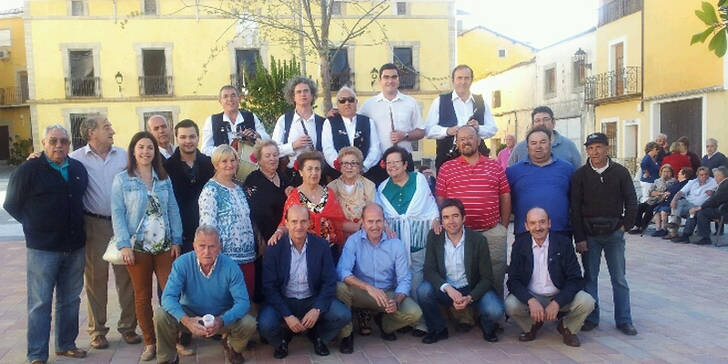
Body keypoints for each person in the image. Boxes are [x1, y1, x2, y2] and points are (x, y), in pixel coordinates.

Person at [4, 125, 89, 364]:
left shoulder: (77, 169)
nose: (59, 145)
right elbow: (11, 204)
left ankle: (66, 344)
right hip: (42, 249)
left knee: (70, 299)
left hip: (75, 246)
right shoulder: (29, 170)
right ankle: (37, 354)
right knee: (40, 302)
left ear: (69, 144)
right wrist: (35, 226)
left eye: (63, 141)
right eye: (53, 141)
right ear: (43, 143)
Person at [68, 115, 140, 350]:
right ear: (91, 133)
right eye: (106, 127)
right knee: (95, 280)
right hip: (94, 225)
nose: (112, 130)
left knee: (127, 278)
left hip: (124, 224)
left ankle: (128, 328)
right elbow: (53, 165)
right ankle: (97, 331)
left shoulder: (124, 155)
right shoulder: (75, 158)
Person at [111, 131, 183, 361]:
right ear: (133, 150)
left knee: (171, 294)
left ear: (155, 152)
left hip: (163, 246)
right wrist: (124, 245)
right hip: (137, 247)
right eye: (141, 147)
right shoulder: (122, 179)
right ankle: (150, 343)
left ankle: (172, 341)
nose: (145, 152)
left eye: (149, 148)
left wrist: (177, 240)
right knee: (142, 297)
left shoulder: (163, 178)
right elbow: (118, 214)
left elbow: (173, 209)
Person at [154, 225, 257, 364]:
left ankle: (233, 347)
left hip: (221, 316)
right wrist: (186, 321)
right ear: (194, 246)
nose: (206, 252)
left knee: (249, 323)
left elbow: (243, 302)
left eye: (212, 246)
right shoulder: (182, 263)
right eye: (202, 246)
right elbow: (167, 297)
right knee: (161, 315)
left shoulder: (231, 267)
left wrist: (221, 320)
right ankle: (168, 359)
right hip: (191, 314)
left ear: (219, 247)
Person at [259, 205, 351, 358]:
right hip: (285, 299)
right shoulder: (274, 249)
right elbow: (269, 287)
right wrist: (287, 316)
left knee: (343, 315)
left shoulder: (321, 245)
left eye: (303, 221)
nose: (298, 226)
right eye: (294, 222)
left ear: (309, 223)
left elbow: (329, 281)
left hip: (311, 298)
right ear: (286, 224)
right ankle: (281, 341)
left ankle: (318, 337)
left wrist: (317, 309)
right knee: (265, 324)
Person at [570, 132, 638, 336]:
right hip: (589, 235)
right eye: (590, 148)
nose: (595, 152)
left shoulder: (620, 172)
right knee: (590, 277)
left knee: (619, 278)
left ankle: (624, 320)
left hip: (614, 234)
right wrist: (579, 238)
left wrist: (625, 226)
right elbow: (575, 208)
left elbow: (632, 201)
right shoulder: (580, 175)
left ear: (607, 149)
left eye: (598, 147)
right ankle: (591, 318)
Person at [436, 125, 511, 300]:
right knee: (464, 274)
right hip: (460, 234)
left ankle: (494, 314)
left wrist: (504, 226)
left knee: (495, 273)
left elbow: (505, 196)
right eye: (461, 139)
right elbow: (440, 200)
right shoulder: (447, 168)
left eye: (470, 137)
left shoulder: (494, 166)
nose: (466, 142)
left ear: (478, 140)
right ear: (457, 143)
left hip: (491, 231)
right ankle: (467, 313)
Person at [417, 198, 504, 344]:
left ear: (464, 218)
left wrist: (470, 297)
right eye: (446, 217)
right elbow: (429, 270)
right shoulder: (434, 237)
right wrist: (448, 288)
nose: (451, 221)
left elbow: (487, 278)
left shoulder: (478, 240)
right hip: (447, 289)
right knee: (423, 290)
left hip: (471, 289)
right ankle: (438, 329)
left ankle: (487, 326)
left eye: (455, 216)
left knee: (495, 310)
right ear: (441, 221)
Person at [336, 203, 423, 348]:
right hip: (362, 293)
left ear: (384, 222)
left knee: (415, 313)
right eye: (370, 221)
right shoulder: (354, 241)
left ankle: (385, 323)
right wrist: (368, 288)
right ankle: (346, 334)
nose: (375, 226)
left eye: (378, 221)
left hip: (386, 294)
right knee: (340, 288)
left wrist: (396, 300)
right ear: (362, 223)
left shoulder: (395, 244)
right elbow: (342, 271)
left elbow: (404, 279)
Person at [505, 208, 595, 347]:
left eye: (542, 222)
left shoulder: (563, 243)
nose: (538, 227)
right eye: (533, 223)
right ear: (526, 226)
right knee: (510, 305)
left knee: (587, 301)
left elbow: (575, 278)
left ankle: (567, 328)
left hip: (558, 294)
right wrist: (530, 300)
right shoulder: (520, 245)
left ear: (549, 223)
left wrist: (557, 302)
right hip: (532, 295)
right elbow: (513, 280)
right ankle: (532, 326)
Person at [377, 146, 441, 336]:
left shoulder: (419, 180)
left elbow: (430, 206)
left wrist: (436, 219)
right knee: (397, 279)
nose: (392, 166)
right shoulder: (382, 187)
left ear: (405, 164)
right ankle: (403, 318)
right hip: (394, 242)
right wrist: (385, 226)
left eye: (396, 162)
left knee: (416, 280)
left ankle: (420, 322)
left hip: (418, 239)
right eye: (389, 163)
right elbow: (382, 216)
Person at [199, 145, 257, 300]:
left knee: (245, 303)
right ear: (216, 164)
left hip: (247, 257)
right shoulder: (211, 190)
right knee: (226, 306)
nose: (229, 164)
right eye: (224, 161)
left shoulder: (238, 189)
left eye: (232, 160)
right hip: (225, 260)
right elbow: (207, 228)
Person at [269, 151, 352, 259]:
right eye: (309, 169)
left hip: (330, 251)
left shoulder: (329, 193)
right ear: (301, 172)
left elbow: (339, 222)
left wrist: (361, 226)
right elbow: (286, 223)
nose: (314, 173)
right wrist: (278, 232)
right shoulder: (294, 197)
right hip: (305, 253)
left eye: (317, 169)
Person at [359, 63, 426, 185]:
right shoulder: (368, 105)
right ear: (380, 80)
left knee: (405, 197)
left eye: (394, 77)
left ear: (399, 79)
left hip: (403, 161)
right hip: (378, 162)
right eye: (386, 77)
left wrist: (405, 135)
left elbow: (421, 131)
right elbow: (355, 123)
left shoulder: (410, 102)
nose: (390, 81)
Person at [506, 126, 574, 240]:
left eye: (543, 142)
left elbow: (574, 201)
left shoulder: (567, 168)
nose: (538, 146)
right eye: (533, 143)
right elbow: (506, 200)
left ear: (550, 144)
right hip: (525, 233)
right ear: (527, 147)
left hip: (560, 233)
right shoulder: (513, 172)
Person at [425, 64, 497, 169]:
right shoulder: (439, 101)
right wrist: (447, 131)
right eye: (459, 78)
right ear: (453, 80)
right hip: (448, 160)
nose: (463, 82)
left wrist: (479, 128)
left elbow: (493, 129)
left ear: (471, 80)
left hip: (477, 160)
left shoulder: (481, 102)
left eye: (466, 78)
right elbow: (428, 130)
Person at [164, 120, 215, 254]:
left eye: (192, 136)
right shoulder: (166, 168)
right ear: (176, 139)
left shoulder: (210, 164)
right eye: (183, 137)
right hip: (179, 237)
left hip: (207, 235)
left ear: (198, 138)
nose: (188, 141)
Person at [271, 76, 326, 183]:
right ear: (293, 97)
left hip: (316, 176)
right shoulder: (284, 120)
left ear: (312, 95)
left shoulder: (323, 122)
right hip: (291, 177)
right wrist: (293, 146)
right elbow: (273, 150)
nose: (303, 94)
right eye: (298, 92)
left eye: (306, 91)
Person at [321, 86, 381, 181]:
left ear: (356, 102)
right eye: (342, 100)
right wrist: (341, 167)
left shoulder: (368, 122)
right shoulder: (329, 123)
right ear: (337, 104)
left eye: (351, 100)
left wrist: (364, 167)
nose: (347, 103)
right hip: (338, 176)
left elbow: (375, 149)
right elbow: (328, 149)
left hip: (365, 175)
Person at [244, 140, 293, 243]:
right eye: (267, 156)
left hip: (285, 236)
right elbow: (249, 214)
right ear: (259, 159)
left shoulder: (284, 178)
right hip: (264, 240)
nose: (272, 159)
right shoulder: (253, 180)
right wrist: (260, 241)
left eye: (275, 155)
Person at [201, 85, 270, 156]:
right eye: (225, 96)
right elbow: (205, 149)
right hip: (223, 165)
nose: (230, 99)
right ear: (220, 101)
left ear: (239, 99)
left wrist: (256, 135)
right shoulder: (211, 121)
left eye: (233, 95)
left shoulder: (251, 116)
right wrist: (226, 152)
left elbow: (267, 139)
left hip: (249, 164)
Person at [327, 146, 376, 240]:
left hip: (364, 233)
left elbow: (372, 210)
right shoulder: (331, 188)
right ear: (340, 166)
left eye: (353, 163)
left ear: (360, 166)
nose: (349, 167)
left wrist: (359, 226)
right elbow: (329, 216)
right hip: (339, 235)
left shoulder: (369, 185)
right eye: (345, 163)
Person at [507, 106, 582, 168]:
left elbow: (578, 174)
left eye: (546, 119)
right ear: (532, 124)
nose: (542, 123)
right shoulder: (520, 148)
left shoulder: (569, 145)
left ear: (553, 122)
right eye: (537, 120)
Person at [673, 166, 726, 244]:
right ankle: (677, 228)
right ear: (697, 175)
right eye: (701, 175)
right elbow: (681, 192)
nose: (704, 176)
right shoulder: (692, 182)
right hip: (688, 204)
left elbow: (716, 198)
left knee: (695, 213)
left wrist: (711, 194)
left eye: (706, 174)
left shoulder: (716, 182)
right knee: (680, 203)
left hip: (703, 206)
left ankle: (685, 235)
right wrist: (674, 200)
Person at [629, 164, 676, 236]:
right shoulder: (657, 180)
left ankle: (643, 227)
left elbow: (665, 190)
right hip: (652, 200)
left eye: (668, 172)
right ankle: (637, 225)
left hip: (661, 201)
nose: (666, 173)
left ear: (671, 173)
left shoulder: (673, 181)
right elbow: (650, 192)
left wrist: (662, 184)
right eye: (664, 171)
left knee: (649, 209)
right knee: (639, 207)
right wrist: (659, 193)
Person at [688, 166, 728, 245]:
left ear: (720, 176)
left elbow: (715, 200)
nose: (715, 178)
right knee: (704, 211)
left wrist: (700, 207)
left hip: (725, 212)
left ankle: (705, 238)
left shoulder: (725, 184)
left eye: (716, 176)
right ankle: (703, 235)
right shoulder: (724, 184)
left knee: (702, 212)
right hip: (723, 209)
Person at [658, 167, 694, 239]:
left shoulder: (686, 183)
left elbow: (680, 193)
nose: (678, 174)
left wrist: (669, 195)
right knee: (651, 208)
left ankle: (671, 229)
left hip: (680, 203)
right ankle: (661, 229)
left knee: (674, 205)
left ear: (684, 175)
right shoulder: (677, 182)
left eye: (680, 173)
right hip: (669, 201)